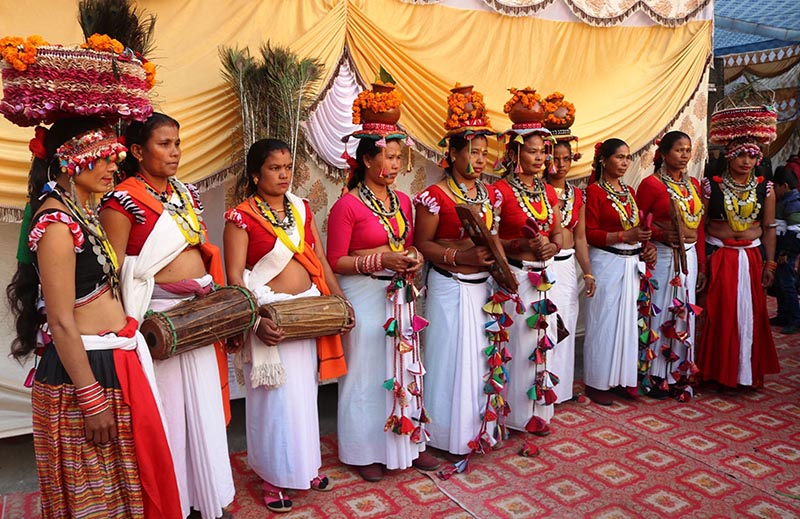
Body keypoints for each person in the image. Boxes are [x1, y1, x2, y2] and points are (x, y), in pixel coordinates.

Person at [6, 118, 182, 518]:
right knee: (98, 488)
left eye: (113, 158)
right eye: (101, 158)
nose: (112, 168)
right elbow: (62, 320)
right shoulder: (54, 224)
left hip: (111, 359)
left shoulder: (82, 212)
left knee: (124, 483)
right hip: (83, 372)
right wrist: (91, 399)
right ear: (69, 161)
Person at [99, 113, 235, 519]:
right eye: (164, 144)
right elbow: (113, 270)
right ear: (138, 151)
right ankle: (175, 502)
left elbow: (204, 250)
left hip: (201, 316)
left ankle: (208, 497)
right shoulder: (121, 200)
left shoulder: (186, 193)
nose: (174, 152)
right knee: (170, 413)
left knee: (205, 409)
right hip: (156, 322)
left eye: (177, 143)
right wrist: (129, 328)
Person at [223, 138, 349, 512]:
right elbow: (234, 277)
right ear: (255, 174)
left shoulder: (301, 209)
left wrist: (340, 301)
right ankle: (274, 477)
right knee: (274, 402)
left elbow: (321, 260)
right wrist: (255, 320)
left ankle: (305, 466)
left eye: (288, 167)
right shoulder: (240, 217)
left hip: (306, 315)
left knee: (304, 399)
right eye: (275, 168)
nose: (283, 175)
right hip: (269, 318)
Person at [328, 85, 438, 482]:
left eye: (398, 157)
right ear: (368, 159)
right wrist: (381, 260)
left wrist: (413, 258)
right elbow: (335, 261)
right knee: (364, 372)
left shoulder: (404, 202)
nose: (395, 165)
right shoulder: (347, 205)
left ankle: (410, 443)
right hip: (364, 293)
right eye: (389, 157)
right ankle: (361, 450)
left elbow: (410, 245)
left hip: (399, 294)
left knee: (404, 366)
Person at [414, 84, 507, 463]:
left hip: (482, 287)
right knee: (448, 358)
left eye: (486, 153)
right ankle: (440, 435)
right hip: (449, 286)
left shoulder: (490, 195)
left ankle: (474, 431)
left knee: (479, 359)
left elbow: (495, 239)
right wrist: (458, 256)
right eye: (473, 152)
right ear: (452, 153)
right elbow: (423, 245)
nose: (481, 159)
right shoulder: (435, 195)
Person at [494, 100, 564, 456]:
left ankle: (539, 411)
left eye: (543, 152)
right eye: (532, 152)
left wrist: (552, 245)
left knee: (541, 346)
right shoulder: (499, 191)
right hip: (516, 277)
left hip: (544, 278)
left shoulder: (549, 192)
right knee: (517, 348)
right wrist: (520, 244)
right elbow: (493, 241)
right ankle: (514, 416)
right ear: (516, 152)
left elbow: (561, 236)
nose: (539, 158)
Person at [700, 105, 781, 390]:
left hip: (751, 257)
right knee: (720, 315)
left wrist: (770, 263)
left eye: (752, 156)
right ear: (730, 156)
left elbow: (769, 227)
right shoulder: (711, 186)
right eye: (742, 155)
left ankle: (744, 375)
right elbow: (701, 225)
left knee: (750, 315)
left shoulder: (766, 188)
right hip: (720, 255)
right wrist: (702, 263)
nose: (747, 161)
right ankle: (716, 373)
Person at [583, 138, 655, 406]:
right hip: (607, 262)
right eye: (619, 157)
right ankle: (597, 381)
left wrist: (645, 245)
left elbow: (636, 230)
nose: (625, 162)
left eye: (628, 157)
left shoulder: (630, 191)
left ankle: (624, 379)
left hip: (630, 263)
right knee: (604, 323)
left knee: (627, 324)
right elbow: (590, 234)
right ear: (604, 160)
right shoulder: (593, 192)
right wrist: (626, 235)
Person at [636, 131, 706, 400]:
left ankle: (679, 372)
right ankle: (655, 374)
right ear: (663, 153)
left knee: (684, 313)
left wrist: (703, 265)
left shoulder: (694, 186)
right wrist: (661, 237)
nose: (685, 155)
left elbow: (699, 228)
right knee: (661, 312)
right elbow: (640, 224)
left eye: (688, 150)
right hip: (665, 255)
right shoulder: (651, 185)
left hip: (689, 256)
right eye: (679, 150)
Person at [546, 136, 596, 405]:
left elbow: (580, 239)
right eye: (555, 158)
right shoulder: (537, 192)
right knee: (544, 326)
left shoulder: (578, 195)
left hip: (567, 268)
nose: (561, 164)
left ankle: (562, 389)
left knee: (566, 323)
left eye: (566, 158)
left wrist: (587, 272)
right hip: (543, 265)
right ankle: (541, 387)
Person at [771, 166, 800, 334]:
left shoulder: (793, 202)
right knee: (781, 282)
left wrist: (785, 253)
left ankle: (795, 319)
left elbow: (796, 230)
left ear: (785, 186)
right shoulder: (784, 201)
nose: (775, 190)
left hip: (788, 249)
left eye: (777, 187)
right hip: (782, 247)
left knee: (787, 283)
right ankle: (783, 315)